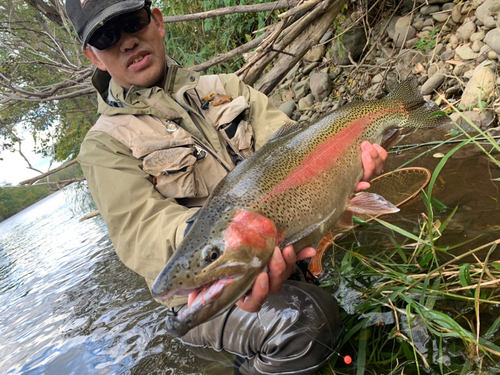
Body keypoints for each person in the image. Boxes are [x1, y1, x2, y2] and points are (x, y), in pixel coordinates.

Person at [65, 0, 387, 374]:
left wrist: (347, 168)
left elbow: (291, 145)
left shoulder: (226, 87)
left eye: (132, 22)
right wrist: (221, 245)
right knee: (305, 322)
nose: (127, 42)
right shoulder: (103, 145)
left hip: (279, 245)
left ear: (156, 21)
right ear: (95, 57)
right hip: (206, 289)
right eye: (106, 36)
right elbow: (140, 230)